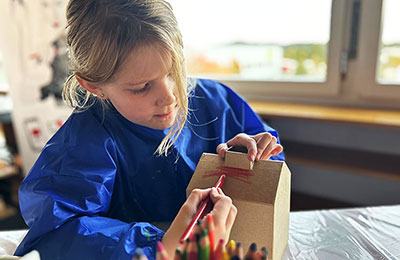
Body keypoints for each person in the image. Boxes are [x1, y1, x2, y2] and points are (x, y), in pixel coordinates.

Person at [15, 0, 284, 259]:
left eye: (173, 71)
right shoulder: (85, 140)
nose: (169, 97)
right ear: (94, 87)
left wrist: (254, 157)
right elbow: (54, 235)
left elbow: (272, 166)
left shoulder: (217, 102)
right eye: (141, 87)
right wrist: (156, 245)